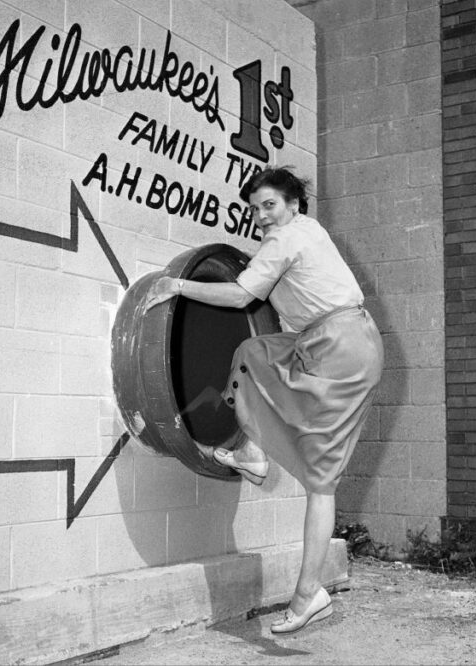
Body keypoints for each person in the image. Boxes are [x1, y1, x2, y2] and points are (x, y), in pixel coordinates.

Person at [145, 166, 384, 635]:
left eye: (269, 205)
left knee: (321, 480)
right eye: (254, 209)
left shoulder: (287, 238)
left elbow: (240, 295)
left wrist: (175, 286)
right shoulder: (307, 230)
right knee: (255, 354)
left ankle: (308, 593)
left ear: (293, 205)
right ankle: (255, 452)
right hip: (330, 340)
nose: (261, 216)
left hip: (340, 346)